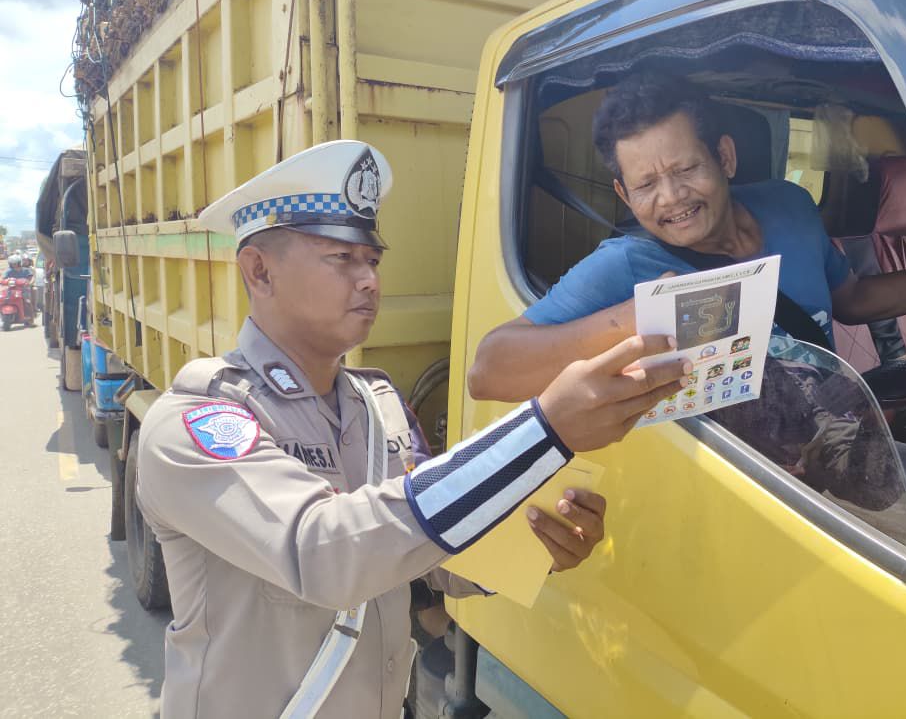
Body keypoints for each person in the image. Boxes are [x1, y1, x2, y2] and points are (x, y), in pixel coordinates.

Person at [136, 140, 687, 719]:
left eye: (371, 261)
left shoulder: (377, 406)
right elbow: (321, 554)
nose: (369, 280)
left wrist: (534, 545)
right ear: (259, 270)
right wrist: (545, 430)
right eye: (340, 258)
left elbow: (420, 563)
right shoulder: (198, 421)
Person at [467, 73, 906, 507]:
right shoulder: (622, 266)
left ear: (724, 156)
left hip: (839, 461)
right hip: (731, 493)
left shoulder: (789, 206)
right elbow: (488, 369)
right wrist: (636, 316)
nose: (672, 198)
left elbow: (851, 299)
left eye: (685, 170)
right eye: (646, 185)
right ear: (623, 194)